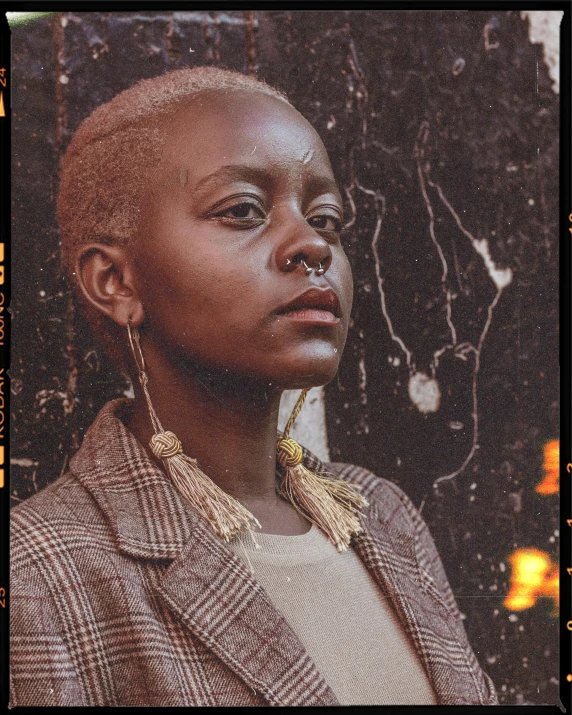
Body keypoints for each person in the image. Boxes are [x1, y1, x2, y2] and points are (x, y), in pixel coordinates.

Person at [10, 66, 497, 707]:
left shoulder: (380, 517)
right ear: (116, 283)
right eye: (243, 211)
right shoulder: (39, 578)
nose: (311, 246)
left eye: (327, 218)